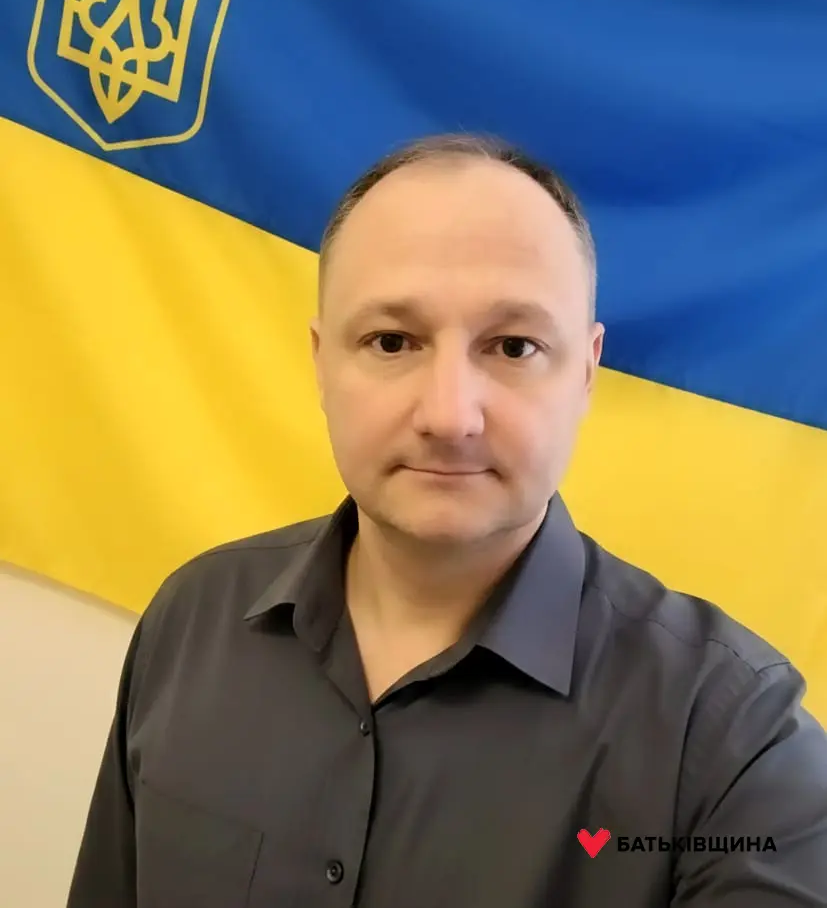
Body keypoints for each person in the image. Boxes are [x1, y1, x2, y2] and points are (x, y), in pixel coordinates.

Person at [67, 133, 827, 908]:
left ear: (585, 373)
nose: (449, 415)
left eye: (513, 346)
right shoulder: (191, 619)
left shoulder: (736, 745)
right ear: (322, 362)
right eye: (391, 341)